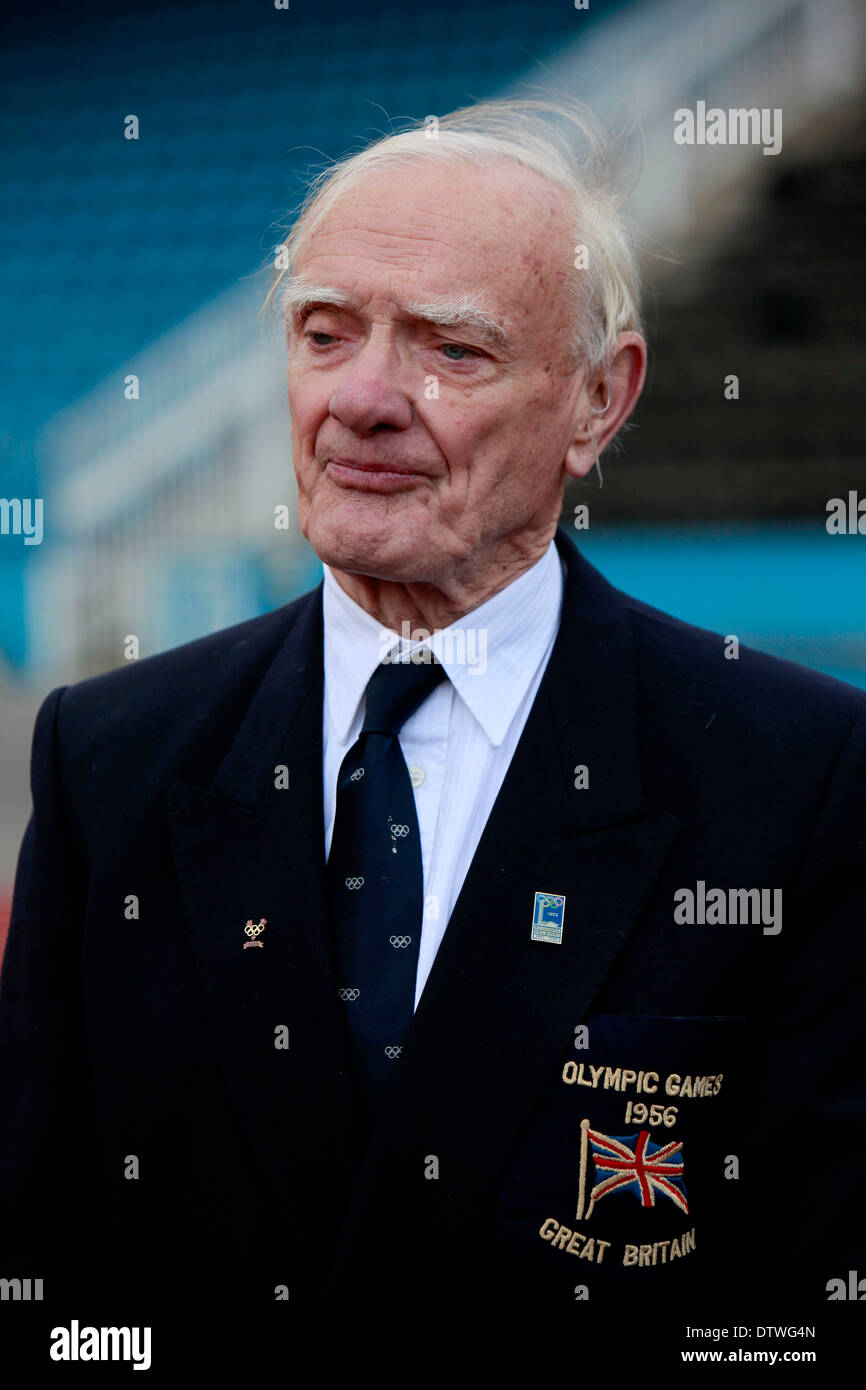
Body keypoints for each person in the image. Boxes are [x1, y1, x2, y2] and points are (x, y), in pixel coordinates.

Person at [0, 100, 863, 1318]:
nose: (361, 398)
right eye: (324, 333)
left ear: (597, 403)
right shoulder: (107, 756)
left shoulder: (799, 772)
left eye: (449, 350)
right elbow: (46, 1269)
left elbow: (796, 1313)